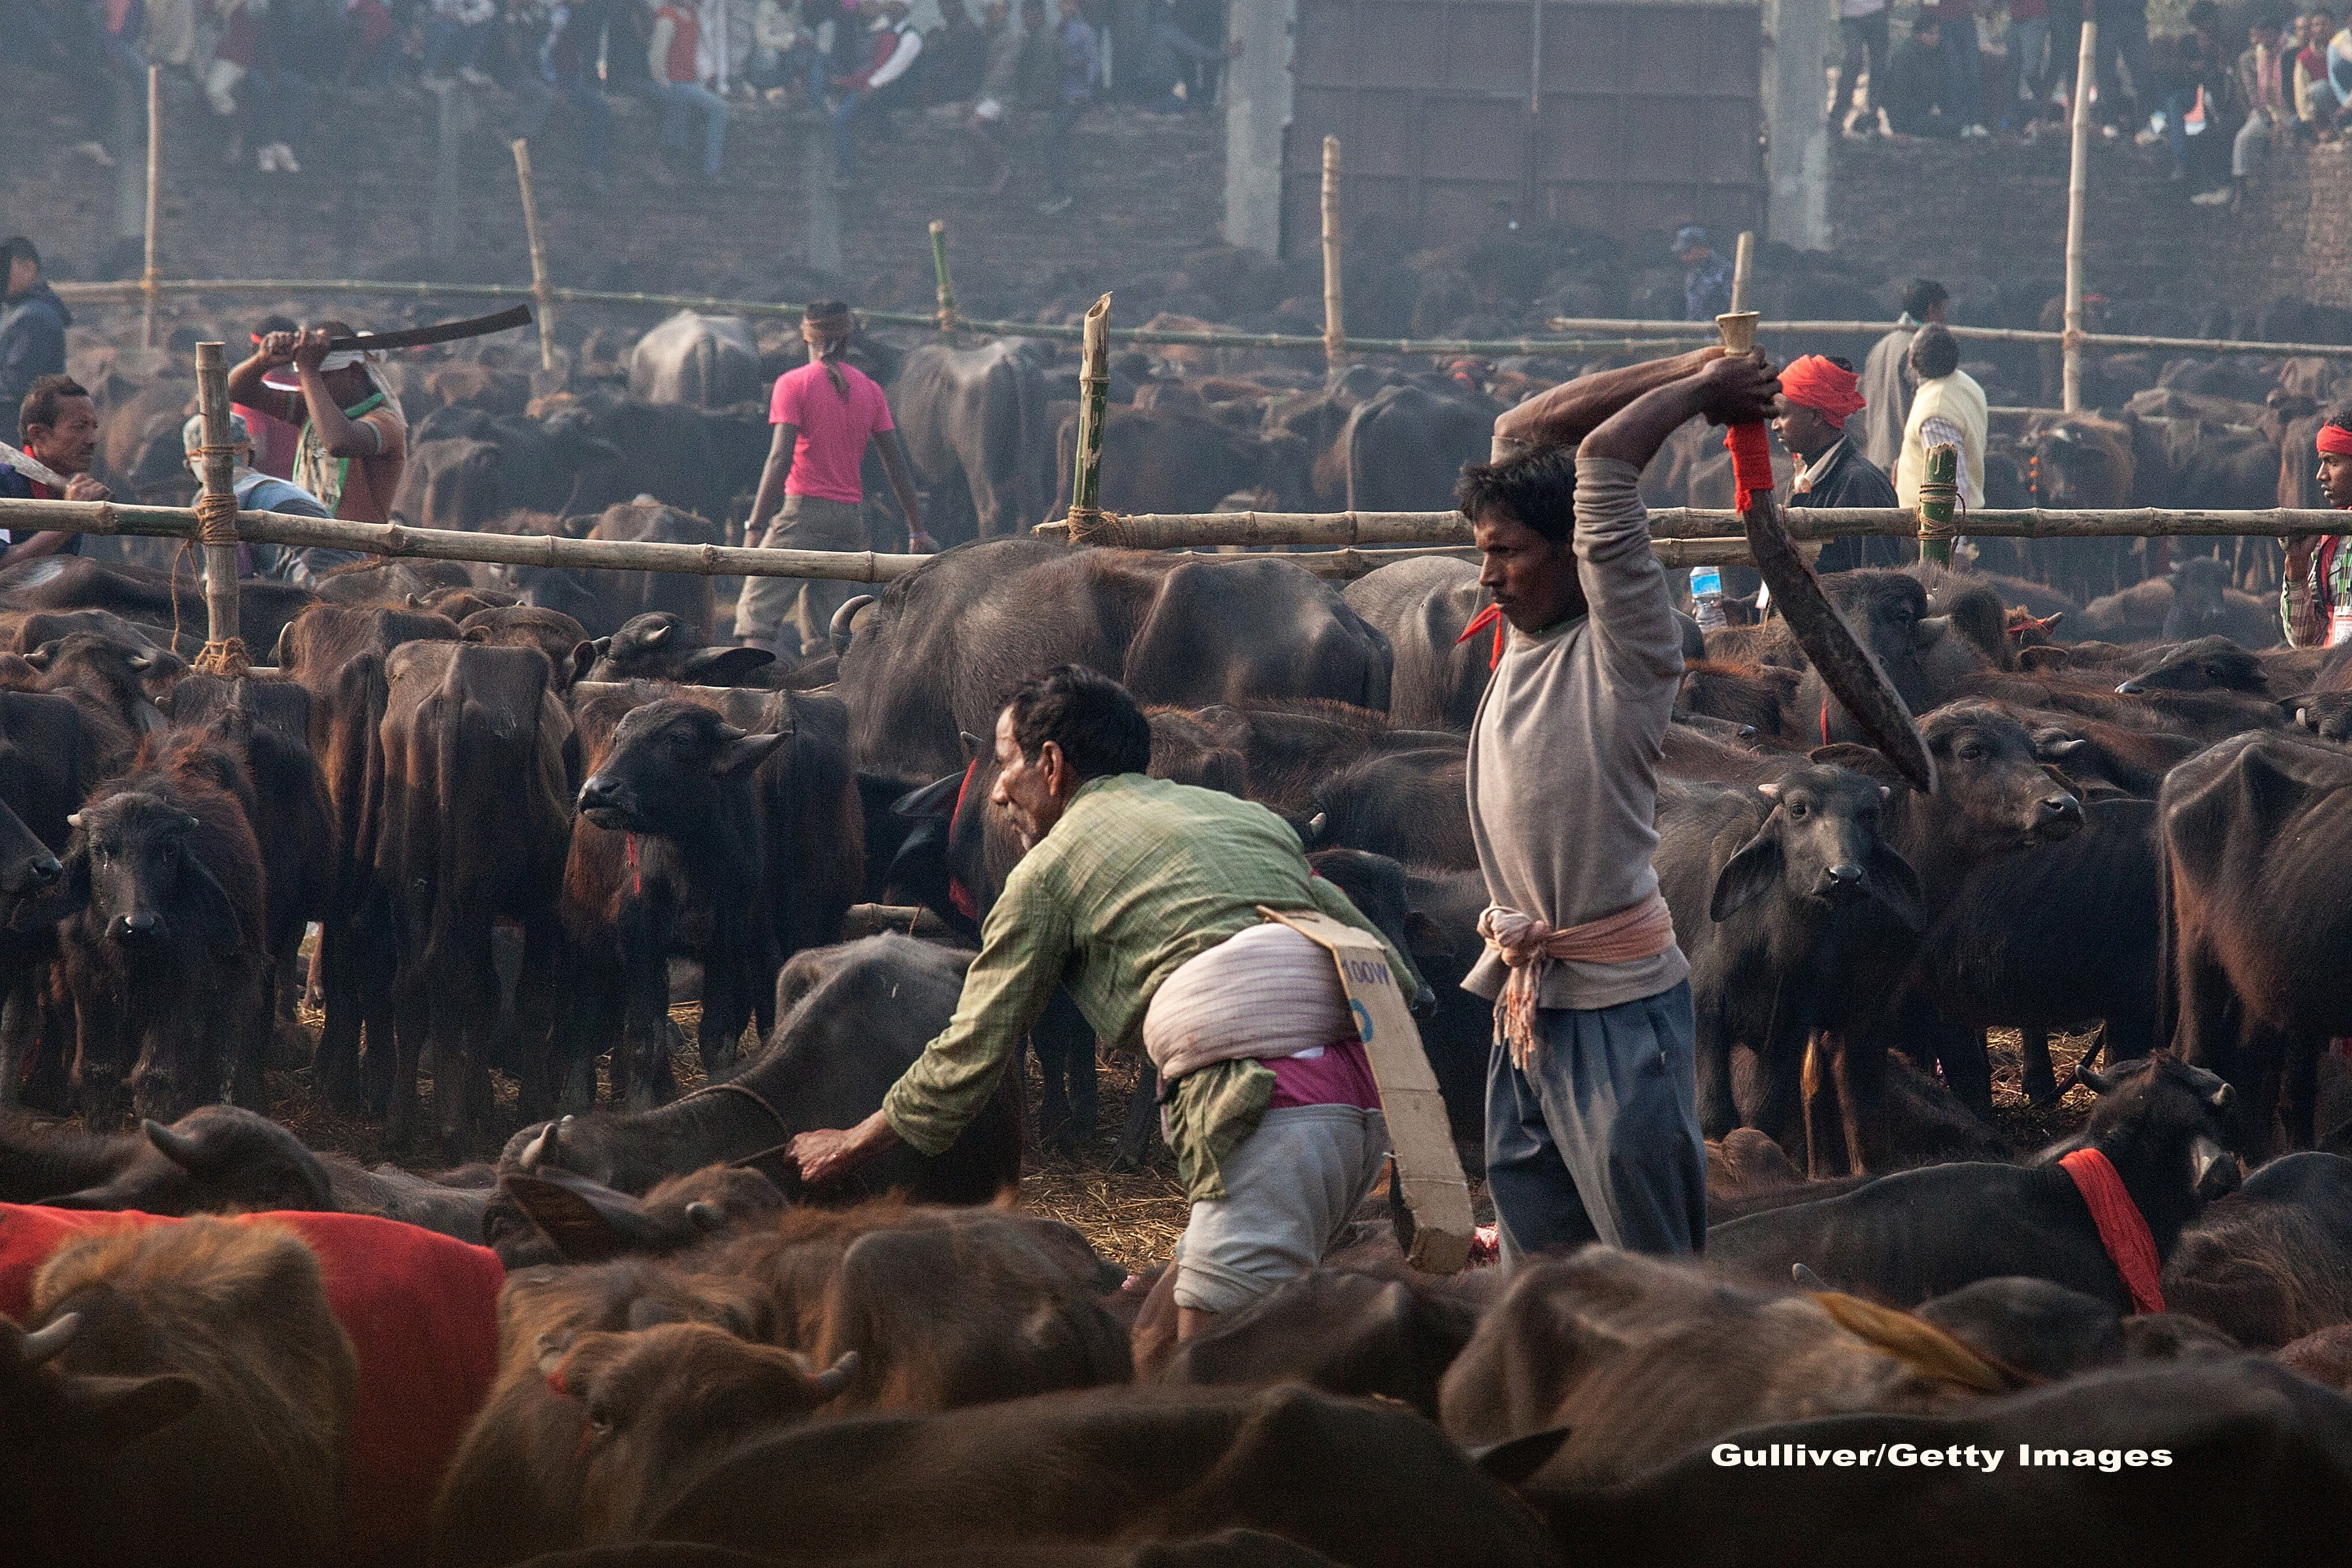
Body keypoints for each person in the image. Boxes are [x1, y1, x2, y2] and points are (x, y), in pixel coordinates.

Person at [785, 664, 1418, 1339]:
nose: (997, 791)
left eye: (1005, 765)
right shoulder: (1244, 818)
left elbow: (971, 1052)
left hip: (1273, 1111)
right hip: (1362, 1111)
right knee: (1151, 1337)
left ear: (1052, 764)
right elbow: (1379, 961)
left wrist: (850, 1143)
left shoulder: (1047, 871)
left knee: (1212, 1369)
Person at [1462, 346, 1778, 1262]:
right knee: (1540, 1274)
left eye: (1508, 554)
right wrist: (1694, 363)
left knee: (1651, 1275)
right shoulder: (1528, 628)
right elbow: (1524, 434)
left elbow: (1600, 468)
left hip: (1614, 1011)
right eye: (1484, 553)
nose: (1488, 577)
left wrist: (1701, 397)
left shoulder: (1625, 640)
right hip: (1526, 1005)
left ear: (1578, 559)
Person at [734, 302, 929, 660]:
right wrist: (916, 529)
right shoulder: (871, 390)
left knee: (756, 620)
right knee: (830, 633)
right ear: (849, 337)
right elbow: (896, 465)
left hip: (801, 514)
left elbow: (779, 459)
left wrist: (756, 524)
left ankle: (750, 694)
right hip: (849, 522)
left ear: (805, 336)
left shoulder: (792, 384)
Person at [224, 321, 408, 526]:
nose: (312, 388)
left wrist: (308, 371)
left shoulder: (386, 422)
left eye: (323, 378)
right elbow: (236, 392)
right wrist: (262, 361)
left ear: (354, 372)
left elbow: (338, 443)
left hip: (360, 549)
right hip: (308, 542)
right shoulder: (309, 408)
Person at [177, 411, 367, 586]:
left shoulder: (212, 499)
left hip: (318, 584)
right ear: (250, 455)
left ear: (188, 467)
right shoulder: (279, 487)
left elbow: (229, 578)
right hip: (358, 572)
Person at [1774, 354, 1905, 572]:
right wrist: (1746, 605)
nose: (1775, 425)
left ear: (1815, 417)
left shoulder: (1860, 483)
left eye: (1782, 415)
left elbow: (1880, 584)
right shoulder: (1803, 477)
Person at [0, 374, 108, 566]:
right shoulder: (4, 482)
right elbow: (4, 564)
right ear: (38, 435)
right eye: (80, 427)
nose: (93, 439)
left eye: (94, 427)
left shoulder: (68, 491)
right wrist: (73, 517)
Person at [517, 0, 616, 188]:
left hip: (570, 81)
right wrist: (554, 84)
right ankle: (529, 163)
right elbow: (545, 53)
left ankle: (593, 167)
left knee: (601, 108)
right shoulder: (558, 17)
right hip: (553, 80)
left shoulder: (582, 16)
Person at [1893, 324, 1987, 512]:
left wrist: (1951, 541)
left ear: (1912, 361)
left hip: (1931, 530)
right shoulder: (1967, 385)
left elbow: (1951, 488)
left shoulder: (1936, 411)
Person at [830, 0, 923, 184]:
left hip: (891, 92)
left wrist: (870, 84)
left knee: (842, 118)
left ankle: (848, 173)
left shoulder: (910, 36)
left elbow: (894, 66)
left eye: (896, 5)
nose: (889, 7)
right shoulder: (883, 31)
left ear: (904, 10)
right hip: (875, 89)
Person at [2281, 408, 2352, 646]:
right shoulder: (2333, 538)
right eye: (2322, 461)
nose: (2321, 475)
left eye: (2332, 461)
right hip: (2336, 678)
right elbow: (2303, 641)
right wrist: (2297, 567)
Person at [645, 0, 729, 182]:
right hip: (675, 82)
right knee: (720, 109)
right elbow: (657, 56)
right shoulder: (668, 16)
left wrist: (707, 76)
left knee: (713, 108)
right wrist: (665, 85)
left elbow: (696, 53)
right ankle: (711, 170)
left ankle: (702, 166)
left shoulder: (692, 16)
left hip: (690, 82)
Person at [0, 239, 70, 449]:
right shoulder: (16, 311)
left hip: (14, 430)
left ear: (28, 268)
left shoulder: (32, 317)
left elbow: (20, 384)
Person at [1038, 0, 1099, 215]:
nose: (1061, 6)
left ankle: (1062, 193)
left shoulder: (1084, 31)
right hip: (1059, 96)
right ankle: (1057, 190)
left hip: (1076, 97)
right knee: (1050, 139)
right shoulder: (1058, 30)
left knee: (1054, 138)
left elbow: (1092, 65)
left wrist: (1085, 88)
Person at [231, 314, 302, 479]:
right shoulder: (311, 388)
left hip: (272, 491)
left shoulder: (250, 394)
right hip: (307, 485)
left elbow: (258, 452)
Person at [2229, 12, 2289, 201]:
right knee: (2244, 138)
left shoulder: (2289, 50)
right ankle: (2242, 191)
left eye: (2266, 34)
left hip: (2288, 108)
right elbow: (2254, 94)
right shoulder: (2251, 58)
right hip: (2265, 110)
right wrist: (2270, 121)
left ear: (2276, 33)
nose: (2261, 40)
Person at [965, 0, 1024, 195]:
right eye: (997, 9)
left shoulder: (1014, 38)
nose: (1001, 12)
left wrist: (977, 99)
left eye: (1003, 9)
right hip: (990, 95)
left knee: (973, 125)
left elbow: (1002, 74)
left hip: (1003, 98)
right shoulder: (984, 35)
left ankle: (1003, 164)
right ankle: (988, 169)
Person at [1881, 12, 1957, 137]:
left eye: (1938, 33)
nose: (1937, 37)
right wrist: (1900, 129)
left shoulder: (1935, 55)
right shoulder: (1905, 57)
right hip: (1907, 119)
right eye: (1932, 34)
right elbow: (1897, 95)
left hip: (1923, 113)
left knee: (1955, 123)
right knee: (1951, 126)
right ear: (1919, 35)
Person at [1834, 0, 1892, 137]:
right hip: (1851, 16)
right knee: (1853, 61)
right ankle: (1838, 115)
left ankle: (1872, 115)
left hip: (1877, 13)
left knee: (1879, 65)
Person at [1670, 227, 1732, 323]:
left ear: (1701, 248)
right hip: (1694, 333)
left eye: (1687, 252)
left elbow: (1730, 308)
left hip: (1718, 332)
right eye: (1680, 253)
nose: (1683, 257)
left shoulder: (1724, 270)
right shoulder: (1692, 272)